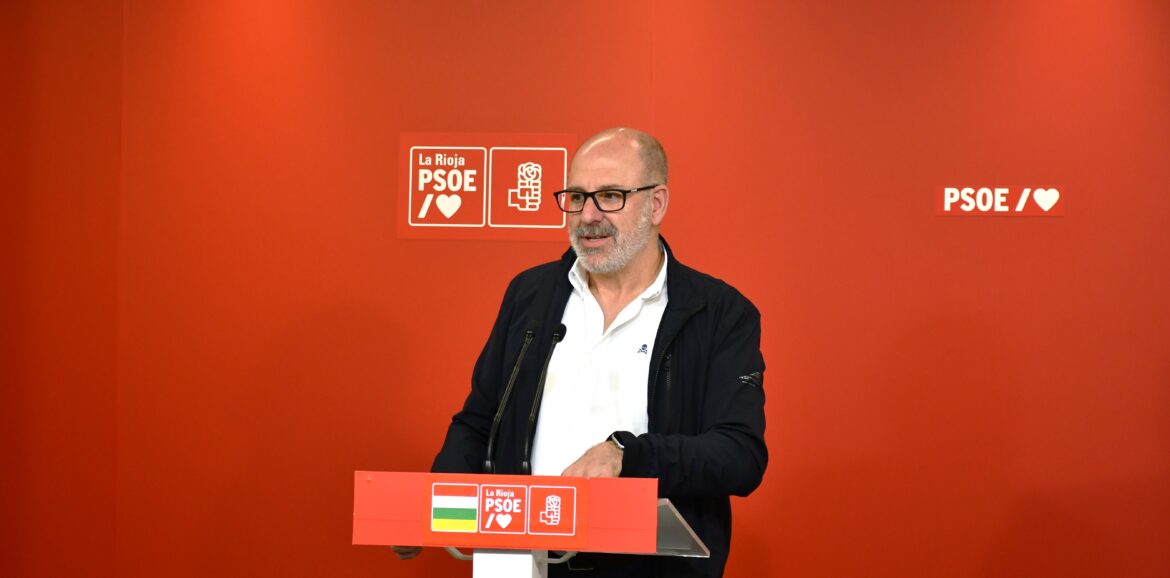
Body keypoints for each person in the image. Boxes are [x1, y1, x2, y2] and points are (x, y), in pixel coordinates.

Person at [396, 128, 767, 577]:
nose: (588, 216)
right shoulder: (531, 295)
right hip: (523, 563)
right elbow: (480, 422)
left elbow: (739, 455)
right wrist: (434, 504)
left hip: (648, 568)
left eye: (610, 196)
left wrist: (627, 456)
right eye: (576, 197)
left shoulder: (719, 313)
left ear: (656, 204)